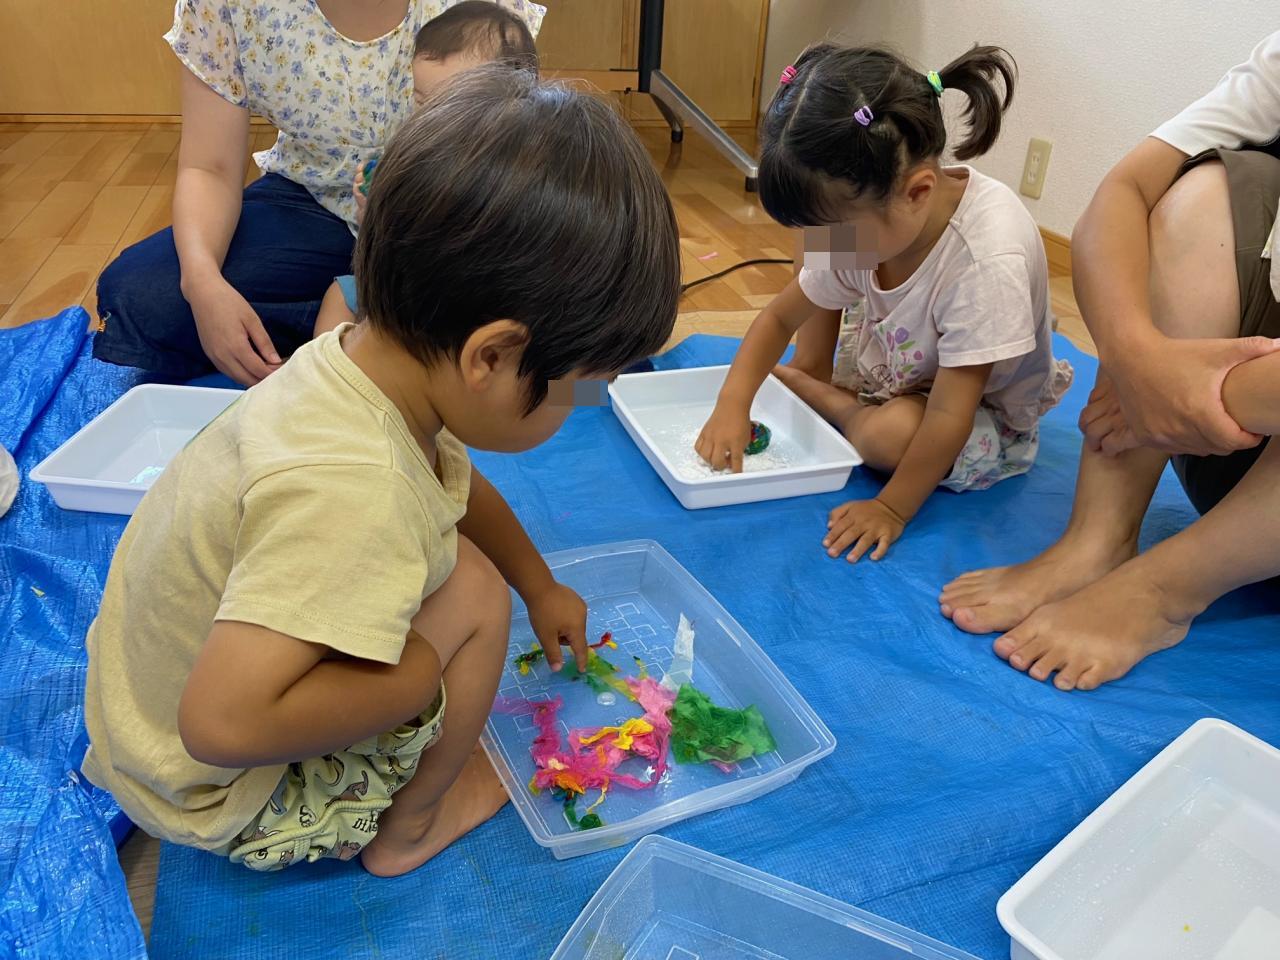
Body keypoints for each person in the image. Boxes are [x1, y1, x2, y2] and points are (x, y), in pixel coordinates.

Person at [80, 67, 681, 876]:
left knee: (470, 572)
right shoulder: (354, 490)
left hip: (144, 713)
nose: (579, 405)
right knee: (475, 600)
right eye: (578, 387)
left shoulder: (367, 362)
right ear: (491, 358)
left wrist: (540, 585)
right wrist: (412, 679)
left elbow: (455, 487)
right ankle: (410, 829)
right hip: (219, 789)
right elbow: (219, 724)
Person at [940, 32, 1280, 692]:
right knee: (1202, 192)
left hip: (1213, 420)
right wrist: (1138, 358)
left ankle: (1161, 591)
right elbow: (1124, 189)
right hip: (1219, 440)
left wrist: (1177, 388)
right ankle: (1095, 540)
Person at [696, 43, 1071, 563]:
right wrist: (731, 405)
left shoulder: (986, 262)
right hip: (904, 366)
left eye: (830, 228)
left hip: (979, 412)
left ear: (918, 192)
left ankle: (827, 398)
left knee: (888, 438)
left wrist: (891, 508)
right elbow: (780, 316)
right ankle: (813, 376)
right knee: (825, 268)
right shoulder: (879, 218)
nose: (817, 245)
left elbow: (949, 415)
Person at [91, 0, 544, 387]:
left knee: (559, 305)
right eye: (420, 99)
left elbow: (518, 174)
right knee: (142, 296)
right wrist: (203, 284)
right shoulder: (230, 8)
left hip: (456, 235)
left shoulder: (487, 30)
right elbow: (208, 167)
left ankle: (381, 342)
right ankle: (341, 371)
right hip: (316, 207)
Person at [315, 0, 538, 337]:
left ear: (514, 103)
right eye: (421, 101)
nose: (430, 118)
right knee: (342, 296)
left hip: (486, 301)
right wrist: (371, 209)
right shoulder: (413, 156)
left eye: (451, 105)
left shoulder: (520, 166)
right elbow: (385, 243)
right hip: (410, 291)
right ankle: (333, 371)